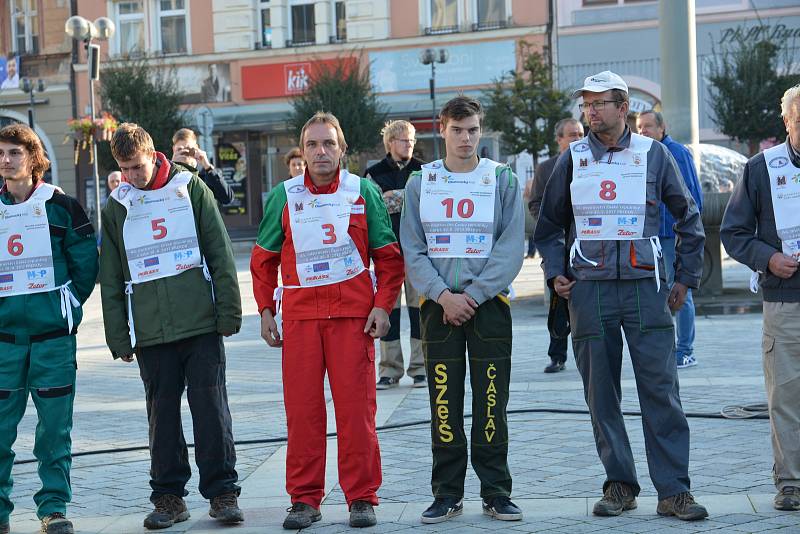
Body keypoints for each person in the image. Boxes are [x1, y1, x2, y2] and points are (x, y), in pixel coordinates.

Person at [534, 71, 708, 521]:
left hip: (645, 289)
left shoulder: (654, 155)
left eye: (599, 103)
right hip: (588, 292)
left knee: (661, 391)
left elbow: (689, 218)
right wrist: (556, 273)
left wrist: (685, 279)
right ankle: (619, 484)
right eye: (586, 105)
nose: (590, 112)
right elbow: (549, 226)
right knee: (601, 394)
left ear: (623, 106)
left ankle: (674, 491)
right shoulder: (571, 158)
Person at [250, 112, 404, 529]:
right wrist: (265, 309)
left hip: (352, 321)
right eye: (313, 145)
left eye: (329, 144)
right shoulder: (282, 197)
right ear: (303, 151)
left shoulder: (363, 193)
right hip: (300, 321)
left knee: (357, 413)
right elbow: (263, 261)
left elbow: (389, 260)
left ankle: (362, 497)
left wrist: (382, 306)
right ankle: (304, 499)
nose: (321, 152)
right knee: (303, 414)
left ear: (343, 150)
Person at [99, 123, 244, 530]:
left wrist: (229, 311)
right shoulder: (116, 207)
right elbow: (110, 276)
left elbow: (219, 249)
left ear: (153, 154)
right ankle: (168, 498)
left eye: (137, 167)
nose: (131, 177)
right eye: (124, 169)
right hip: (150, 332)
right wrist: (117, 335)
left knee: (211, 412)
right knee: (161, 417)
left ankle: (222, 493)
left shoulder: (191, 188)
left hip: (200, 324)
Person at [401, 96, 525, 524]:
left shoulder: (501, 180)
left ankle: (496, 490)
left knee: (492, 403)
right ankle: (447, 492)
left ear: (480, 130)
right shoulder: (422, 182)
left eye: (473, 129)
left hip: (488, 306)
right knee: (444, 405)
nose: (466, 138)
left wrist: (474, 294)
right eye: (457, 130)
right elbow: (412, 248)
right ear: (442, 130)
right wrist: (442, 295)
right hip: (438, 308)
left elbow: (512, 246)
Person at [0, 123, 98, 534]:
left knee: (54, 431)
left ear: (33, 157)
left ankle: (53, 509)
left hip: (53, 341)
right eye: (1, 153)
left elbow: (86, 263)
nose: (6, 160)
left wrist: (67, 306)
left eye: (14, 153)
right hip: (4, 343)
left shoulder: (62, 206)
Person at [720, 83, 800, 512]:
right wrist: (767, 259)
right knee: (786, 398)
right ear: (786, 122)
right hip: (786, 299)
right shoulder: (760, 169)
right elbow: (733, 232)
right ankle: (791, 483)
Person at [637, 110, 704, 369]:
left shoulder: (677, 153)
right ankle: (670, 349)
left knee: (680, 293)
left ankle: (685, 351)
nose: (642, 131)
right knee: (659, 294)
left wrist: (685, 234)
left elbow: (693, 199)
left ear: (662, 128)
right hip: (651, 238)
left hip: (671, 237)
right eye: (639, 127)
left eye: (648, 126)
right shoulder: (643, 154)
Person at [365, 120, 425, 389]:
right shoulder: (373, 173)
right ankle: (389, 369)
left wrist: (394, 197)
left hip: (418, 253)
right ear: (390, 143)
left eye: (412, 140)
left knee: (419, 313)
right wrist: (405, 197)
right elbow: (374, 207)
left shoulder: (423, 171)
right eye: (404, 140)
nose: (409, 145)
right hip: (386, 256)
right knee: (388, 312)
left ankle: (421, 367)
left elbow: (425, 204)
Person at [529, 117, 584, 373]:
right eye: (572, 135)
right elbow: (535, 204)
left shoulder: (591, 163)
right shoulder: (546, 168)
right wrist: (554, 221)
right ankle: (557, 354)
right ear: (559, 139)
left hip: (587, 244)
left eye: (580, 133)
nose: (577, 138)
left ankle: (586, 353)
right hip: (557, 245)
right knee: (558, 299)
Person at [171, 128, 234, 205]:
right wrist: (172, 166)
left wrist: (207, 166)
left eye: (189, 149)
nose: (185, 153)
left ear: (196, 148)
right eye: (180, 149)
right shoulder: (169, 173)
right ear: (174, 150)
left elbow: (227, 199)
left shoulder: (208, 175)